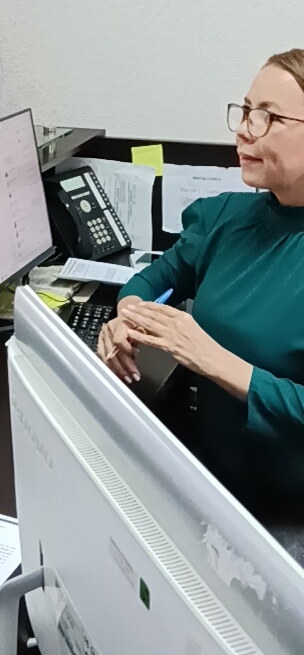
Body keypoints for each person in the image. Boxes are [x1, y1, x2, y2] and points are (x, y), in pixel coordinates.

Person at [98, 48, 304, 503]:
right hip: (212, 482)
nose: (244, 129)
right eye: (246, 111)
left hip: (288, 508)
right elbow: (151, 281)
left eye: (268, 117)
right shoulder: (225, 218)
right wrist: (128, 318)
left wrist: (209, 357)